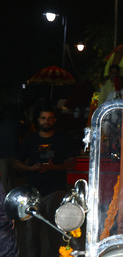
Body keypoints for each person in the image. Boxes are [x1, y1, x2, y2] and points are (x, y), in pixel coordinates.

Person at [15, 107, 76, 257]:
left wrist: (56, 167)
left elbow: (71, 161)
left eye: (49, 118)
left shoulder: (62, 139)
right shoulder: (31, 139)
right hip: (33, 192)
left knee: (54, 231)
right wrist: (31, 169)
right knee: (31, 232)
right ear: (38, 120)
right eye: (43, 118)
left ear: (54, 120)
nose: (46, 121)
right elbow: (17, 163)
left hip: (55, 190)